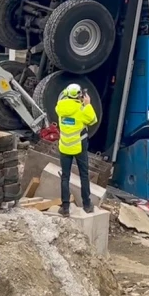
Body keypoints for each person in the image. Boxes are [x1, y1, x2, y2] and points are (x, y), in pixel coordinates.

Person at [55, 83, 97, 216]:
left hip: (64, 146)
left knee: (65, 177)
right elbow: (93, 120)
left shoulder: (60, 108)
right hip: (79, 147)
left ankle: (65, 207)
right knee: (84, 175)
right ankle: (87, 204)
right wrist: (88, 104)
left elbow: (62, 103)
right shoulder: (81, 110)